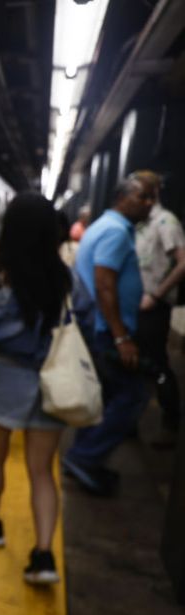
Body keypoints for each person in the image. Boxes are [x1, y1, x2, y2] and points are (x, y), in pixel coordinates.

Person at [0, 193, 92, 585]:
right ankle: (44, 555)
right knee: (42, 472)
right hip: (53, 380)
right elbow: (82, 316)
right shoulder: (65, 277)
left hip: (5, 377)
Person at [62, 176, 157, 495]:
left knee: (104, 395)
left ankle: (84, 453)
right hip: (105, 332)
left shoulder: (104, 226)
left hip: (98, 327)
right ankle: (84, 457)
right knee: (132, 395)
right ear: (123, 198)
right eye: (143, 196)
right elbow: (105, 284)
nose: (149, 203)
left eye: (152, 197)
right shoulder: (116, 232)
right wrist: (121, 337)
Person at [132, 170, 185, 435]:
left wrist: (156, 295)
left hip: (154, 306)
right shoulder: (142, 223)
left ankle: (171, 418)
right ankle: (130, 420)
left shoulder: (166, 222)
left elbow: (182, 262)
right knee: (138, 361)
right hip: (138, 304)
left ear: (150, 194)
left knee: (157, 362)